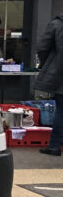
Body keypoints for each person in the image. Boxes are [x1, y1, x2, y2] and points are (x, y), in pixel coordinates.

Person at [34, 13, 63, 156]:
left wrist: (48, 64)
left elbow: (42, 47)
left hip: (60, 74)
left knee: (61, 111)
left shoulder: (57, 24)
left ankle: (55, 146)